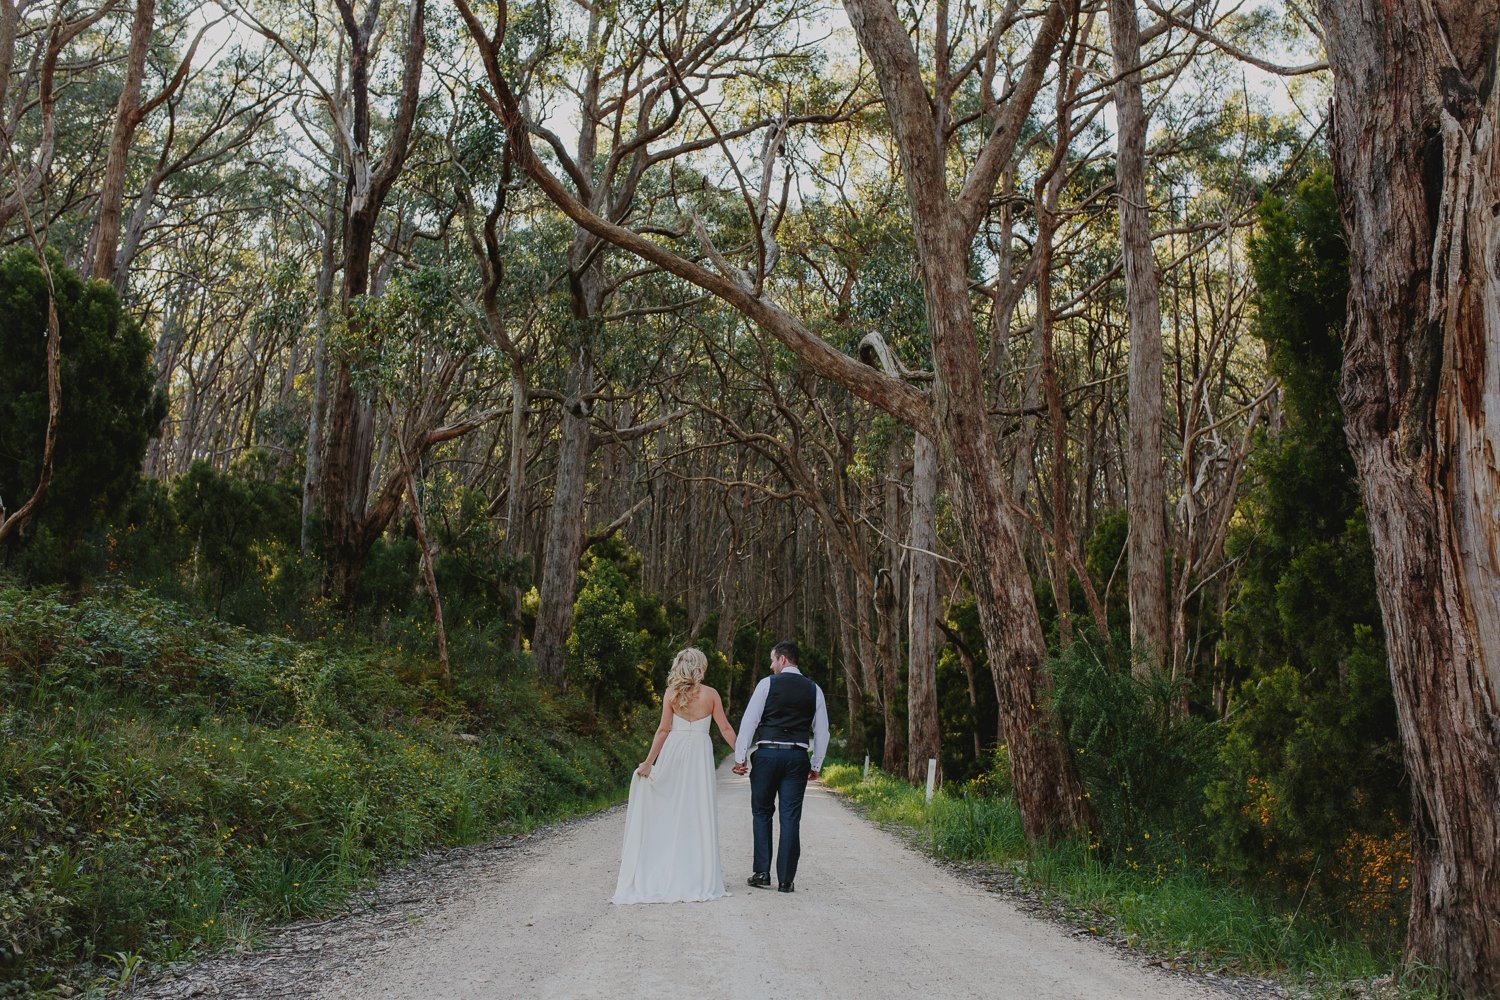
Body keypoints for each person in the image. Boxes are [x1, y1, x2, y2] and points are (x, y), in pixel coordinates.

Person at [612, 647, 737, 904]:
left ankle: (668, 868)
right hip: (699, 756)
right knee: (696, 810)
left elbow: (663, 731)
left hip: (674, 752)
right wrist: (741, 756)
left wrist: (649, 763)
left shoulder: (671, 693)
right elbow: (724, 728)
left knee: (670, 809)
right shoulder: (711, 695)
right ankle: (696, 872)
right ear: (699, 667)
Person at [732, 640, 829, 893]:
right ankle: (786, 880)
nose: (771, 664)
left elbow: (749, 722)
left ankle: (762, 873)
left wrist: (740, 758)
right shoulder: (814, 689)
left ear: (783, 659)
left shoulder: (767, 684)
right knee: (790, 818)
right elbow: (822, 732)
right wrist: (816, 763)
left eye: (773, 659)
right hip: (797, 757)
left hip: (767, 756)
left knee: (762, 813)